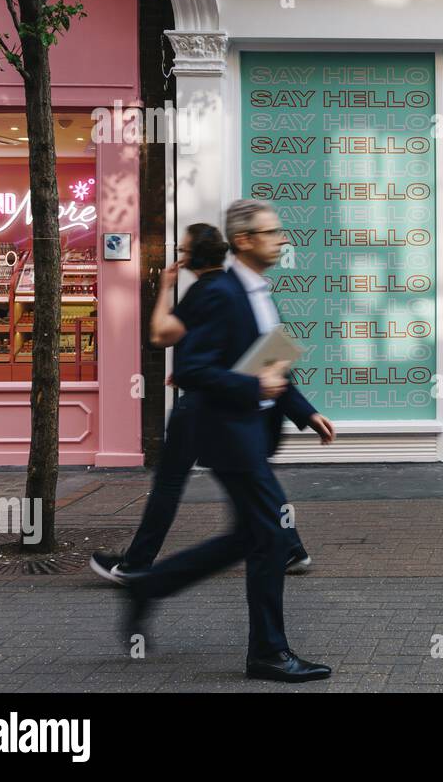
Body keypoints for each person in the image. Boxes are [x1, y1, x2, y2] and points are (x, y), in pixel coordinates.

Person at [120, 200, 336, 682]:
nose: (282, 239)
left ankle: (148, 586)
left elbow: (272, 361)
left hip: (250, 436)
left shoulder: (258, 290)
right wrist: (251, 388)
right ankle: (268, 652)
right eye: (272, 232)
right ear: (244, 240)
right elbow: (192, 368)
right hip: (227, 434)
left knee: (253, 535)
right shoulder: (221, 292)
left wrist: (305, 411)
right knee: (271, 536)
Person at [90, 224, 311, 584]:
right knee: (252, 477)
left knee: (171, 483)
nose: (180, 254)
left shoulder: (206, 291)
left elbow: (160, 335)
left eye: (183, 249)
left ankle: (137, 565)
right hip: (226, 407)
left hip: (201, 408)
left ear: (192, 256)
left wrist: (164, 287)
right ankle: (289, 546)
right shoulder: (228, 288)